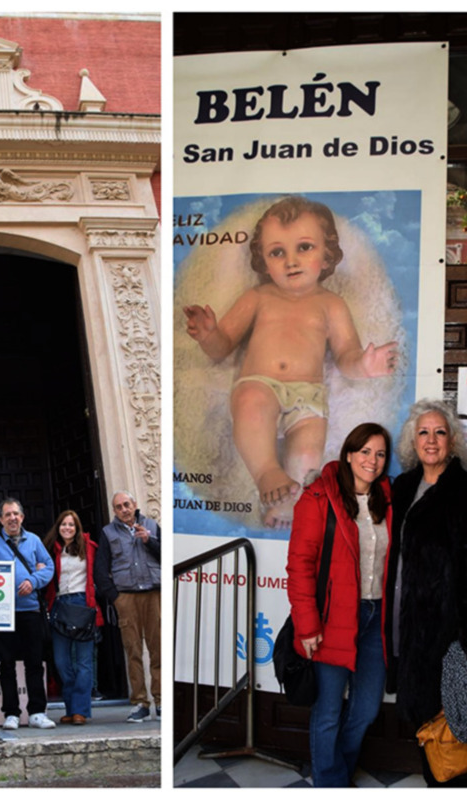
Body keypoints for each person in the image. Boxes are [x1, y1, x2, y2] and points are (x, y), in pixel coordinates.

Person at [184, 195, 398, 527]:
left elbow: (345, 355)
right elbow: (222, 347)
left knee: (308, 455)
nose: (291, 261)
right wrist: (209, 335)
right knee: (251, 408)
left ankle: (287, 505)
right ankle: (266, 473)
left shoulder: (331, 304)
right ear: (263, 260)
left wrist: (364, 366)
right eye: (277, 252)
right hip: (260, 384)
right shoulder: (258, 296)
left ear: (327, 254)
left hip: (309, 396)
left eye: (304, 247)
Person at [287, 422, 392, 787]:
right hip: (332, 618)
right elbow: (300, 566)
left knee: (366, 709)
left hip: (375, 618)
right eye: (365, 451)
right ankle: (331, 784)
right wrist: (307, 625)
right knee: (328, 710)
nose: (372, 460)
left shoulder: (387, 499)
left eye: (380, 454)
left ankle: (338, 774)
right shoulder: (318, 498)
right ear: (348, 454)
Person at [384, 398, 467, 787]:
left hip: (447, 635)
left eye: (439, 432)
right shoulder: (403, 487)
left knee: (451, 725)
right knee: (425, 722)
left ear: (452, 440)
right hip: (405, 626)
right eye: (423, 432)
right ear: (412, 440)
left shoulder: (463, 491)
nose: (431, 440)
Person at [0, 497, 56, 730]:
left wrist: (33, 580)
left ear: (22, 517)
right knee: (6, 664)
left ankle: (37, 712)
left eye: (16, 514)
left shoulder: (33, 540)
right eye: (7, 515)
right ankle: (11, 713)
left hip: (30, 610)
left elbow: (49, 567)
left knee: (34, 662)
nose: (12, 518)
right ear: (0, 519)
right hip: (2, 614)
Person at [94, 491, 161, 722]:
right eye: (119, 507)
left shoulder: (151, 525)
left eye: (126, 504)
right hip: (127, 597)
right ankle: (140, 702)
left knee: (159, 650)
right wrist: (116, 598)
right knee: (133, 651)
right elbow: (100, 570)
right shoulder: (108, 532)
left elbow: (167, 556)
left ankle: (161, 701)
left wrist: (149, 541)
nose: (124, 509)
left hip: (154, 594)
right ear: (114, 511)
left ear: (134, 504)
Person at [43, 509, 103, 726]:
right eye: (63, 524)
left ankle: (80, 710)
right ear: (58, 527)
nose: (67, 528)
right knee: (61, 661)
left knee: (84, 662)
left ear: (77, 528)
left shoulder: (89, 547)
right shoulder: (50, 549)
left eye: (71, 525)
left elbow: (100, 574)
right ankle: (71, 707)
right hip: (59, 604)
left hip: (82, 603)